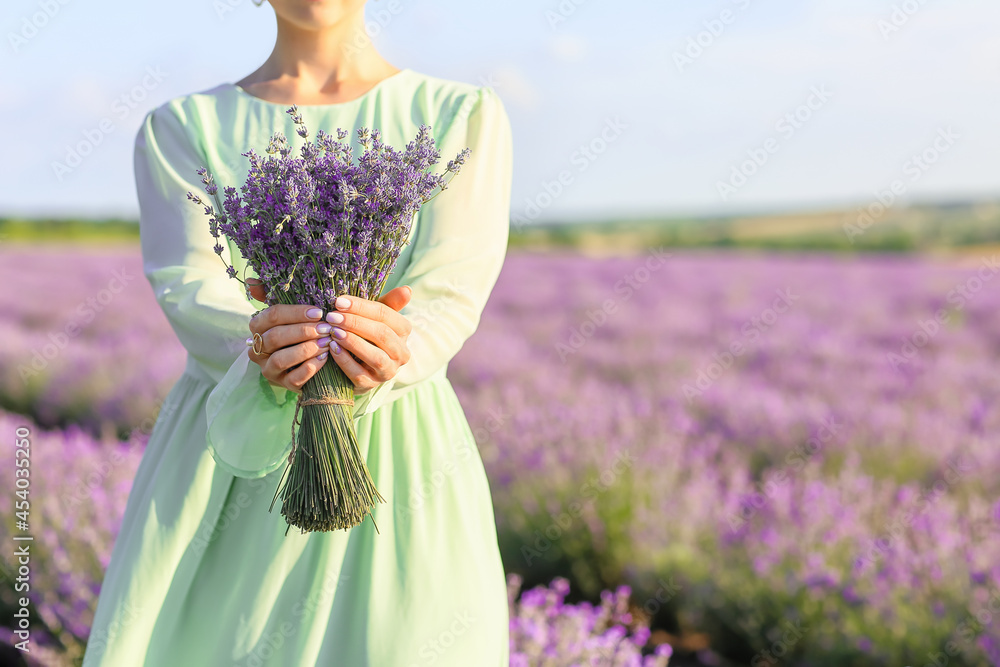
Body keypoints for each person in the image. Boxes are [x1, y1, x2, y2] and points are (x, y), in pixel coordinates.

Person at [82, 1, 513, 664]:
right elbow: (189, 287)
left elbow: (449, 293)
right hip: (233, 454)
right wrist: (266, 342)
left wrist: (392, 349)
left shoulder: (462, 114)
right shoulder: (183, 128)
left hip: (400, 449)